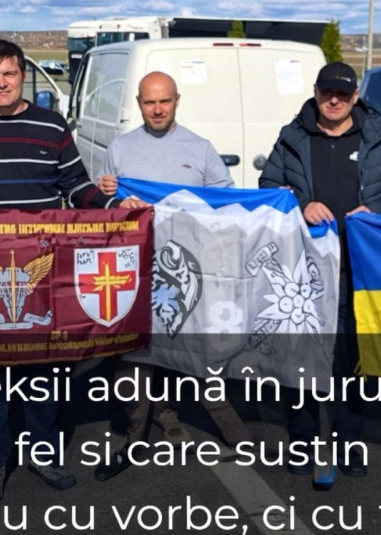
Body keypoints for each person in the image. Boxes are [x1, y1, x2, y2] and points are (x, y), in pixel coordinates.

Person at [0, 40, 147, 502]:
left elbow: (77, 186)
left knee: (43, 366)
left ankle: (43, 453)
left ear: (22, 75)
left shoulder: (51, 126)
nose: (2, 83)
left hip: (42, 267)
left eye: (9, 73)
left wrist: (114, 206)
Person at [259, 61, 381, 485]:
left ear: (355, 97)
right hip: (302, 272)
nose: (334, 100)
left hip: (356, 268)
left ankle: (349, 439)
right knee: (300, 358)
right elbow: (268, 187)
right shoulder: (292, 137)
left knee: (350, 360)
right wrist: (301, 204)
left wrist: (375, 209)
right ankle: (302, 439)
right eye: (327, 92)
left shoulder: (379, 138)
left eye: (343, 94)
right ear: (316, 92)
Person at [91, 71, 246, 480]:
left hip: (188, 272)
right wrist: (106, 194)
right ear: (138, 104)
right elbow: (101, 210)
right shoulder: (120, 149)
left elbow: (225, 203)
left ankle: (237, 436)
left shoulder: (200, 148)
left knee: (201, 357)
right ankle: (133, 437)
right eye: (149, 102)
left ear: (177, 100)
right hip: (136, 272)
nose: (157, 109)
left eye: (164, 101)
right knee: (133, 361)